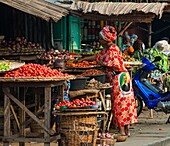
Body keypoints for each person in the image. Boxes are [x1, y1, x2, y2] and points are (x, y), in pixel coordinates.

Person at [79, 26, 138, 136]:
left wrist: (96, 63)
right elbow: (97, 56)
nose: (99, 41)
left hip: (119, 78)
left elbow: (108, 63)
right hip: (121, 77)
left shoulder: (113, 50)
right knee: (124, 102)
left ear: (106, 39)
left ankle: (123, 130)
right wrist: (84, 59)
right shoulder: (107, 49)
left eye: (101, 39)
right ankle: (125, 130)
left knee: (120, 103)